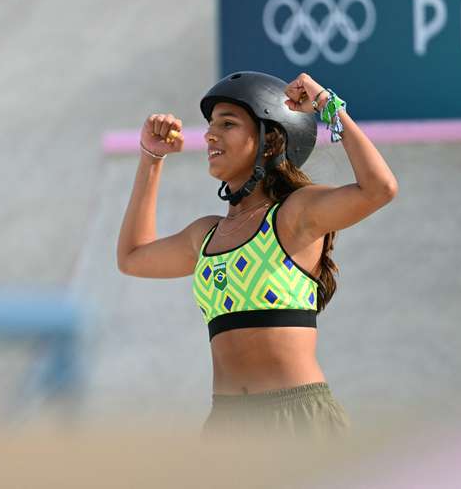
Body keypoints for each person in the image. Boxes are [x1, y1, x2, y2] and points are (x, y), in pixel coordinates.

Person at [116, 71, 398, 444]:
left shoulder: (294, 215)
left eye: (228, 123)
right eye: (210, 125)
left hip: (298, 422)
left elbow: (380, 189)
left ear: (269, 141)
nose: (210, 135)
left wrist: (328, 106)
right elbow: (133, 257)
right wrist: (151, 158)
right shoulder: (207, 234)